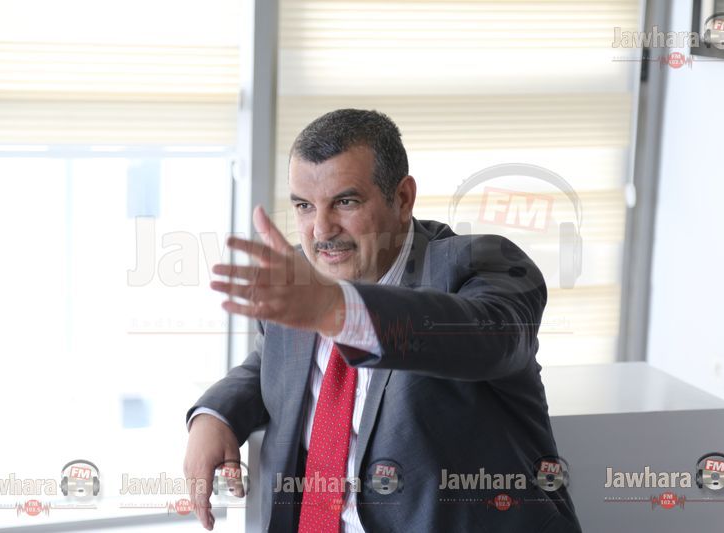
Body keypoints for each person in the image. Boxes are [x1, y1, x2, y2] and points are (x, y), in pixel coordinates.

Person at [183, 109, 581, 532]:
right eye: (304, 206)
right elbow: (269, 363)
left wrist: (339, 311)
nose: (321, 231)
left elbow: (487, 338)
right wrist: (214, 415)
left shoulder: (479, 264)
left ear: (403, 198)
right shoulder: (300, 278)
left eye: (346, 202)